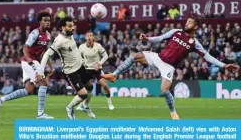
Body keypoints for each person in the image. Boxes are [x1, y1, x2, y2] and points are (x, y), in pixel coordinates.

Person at [102, 17, 239, 120]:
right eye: (187, 21)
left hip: (168, 66)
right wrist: (147, 38)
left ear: (196, 27)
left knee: (164, 90)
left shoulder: (194, 43)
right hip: (158, 57)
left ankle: (173, 112)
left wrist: (224, 65)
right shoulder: (176, 32)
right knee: (134, 56)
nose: (187, 23)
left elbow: (207, 57)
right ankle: (114, 75)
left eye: (190, 22)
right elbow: (160, 38)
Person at [0, 10, 54, 119]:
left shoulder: (48, 36)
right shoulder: (35, 33)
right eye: (45, 20)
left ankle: (0, 99)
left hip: (33, 62)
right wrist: (28, 58)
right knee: (44, 83)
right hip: (29, 61)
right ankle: (40, 113)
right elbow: (25, 47)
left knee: (29, 89)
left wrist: (50, 66)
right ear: (40, 22)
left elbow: (45, 53)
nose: (48, 22)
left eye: (49, 21)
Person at [39, 16, 96, 119]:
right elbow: (46, 54)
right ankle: (70, 107)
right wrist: (40, 71)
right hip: (71, 72)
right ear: (62, 27)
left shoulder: (70, 35)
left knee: (90, 87)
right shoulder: (59, 41)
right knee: (83, 94)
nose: (73, 28)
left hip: (80, 67)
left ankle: (86, 106)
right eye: (70, 26)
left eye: (73, 25)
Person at [78, 31, 114, 111]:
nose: (89, 37)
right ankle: (82, 104)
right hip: (87, 69)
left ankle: (109, 103)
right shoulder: (81, 47)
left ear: (93, 37)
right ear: (85, 38)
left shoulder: (98, 46)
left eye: (91, 36)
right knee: (85, 88)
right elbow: (79, 58)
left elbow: (106, 56)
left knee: (104, 85)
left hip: (97, 69)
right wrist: (83, 62)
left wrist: (100, 63)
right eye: (88, 36)